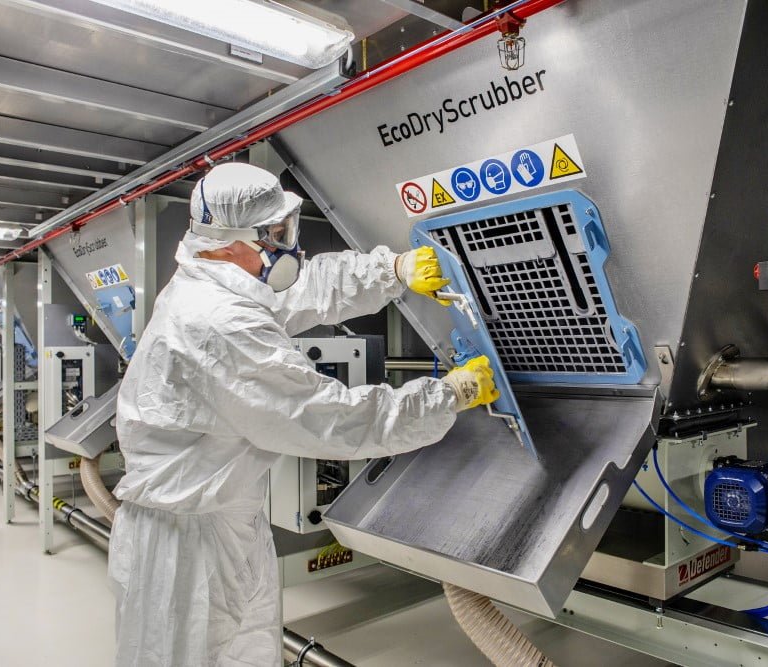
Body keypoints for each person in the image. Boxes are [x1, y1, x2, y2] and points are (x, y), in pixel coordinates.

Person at [107, 162, 499, 666]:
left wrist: (394, 271)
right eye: (274, 234)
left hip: (215, 520)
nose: (289, 247)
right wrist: (448, 396)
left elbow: (306, 290)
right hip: (187, 549)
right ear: (230, 242)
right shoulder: (219, 322)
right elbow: (327, 419)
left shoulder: (220, 280)